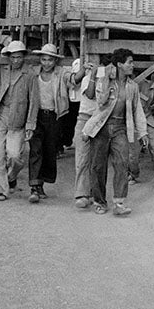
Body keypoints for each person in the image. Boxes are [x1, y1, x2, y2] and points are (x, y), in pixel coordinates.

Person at [83, 49, 148, 216]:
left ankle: (119, 203)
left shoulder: (132, 86)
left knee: (121, 164)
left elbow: (137, 110)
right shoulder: (106, 81)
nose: (132, 65)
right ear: (119, 64)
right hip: (101, 128)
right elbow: (101, 100)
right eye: (129, 62)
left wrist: (143, 132)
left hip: (120, 128)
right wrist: (105, 77)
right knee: (98, 166)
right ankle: (99, 201)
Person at [27, 44, 72, 204]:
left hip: (54, 116)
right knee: (35, 149)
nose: (46, 63)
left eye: (50, 60)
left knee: (49, 150)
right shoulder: (33, 73)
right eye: (44, 59)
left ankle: (41, 185)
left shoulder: (60, 74)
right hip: (36, 115)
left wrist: (84, 71)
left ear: (55, 61)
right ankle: (34, 186)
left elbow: (73, 79)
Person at [0, 40, 34, 200]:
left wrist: (30, 123)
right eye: (13, 57)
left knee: (15, 155)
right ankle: (2, 189)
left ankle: (11, 176)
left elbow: (34, 101)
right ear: (8, 57)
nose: (16, 60)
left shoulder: (29, 74)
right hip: (0, 114)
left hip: (18, 118)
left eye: (19, 57)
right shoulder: (2, 69)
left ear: (24, 57)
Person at [72, 58, 98, 208]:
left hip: (100, 120)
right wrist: (93, 75)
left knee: (97, 160)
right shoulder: (87, 78)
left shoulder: (109, 80)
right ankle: (82, 193)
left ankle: (95, 193)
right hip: (85, 118)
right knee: (82, 158)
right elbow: (90, 94)